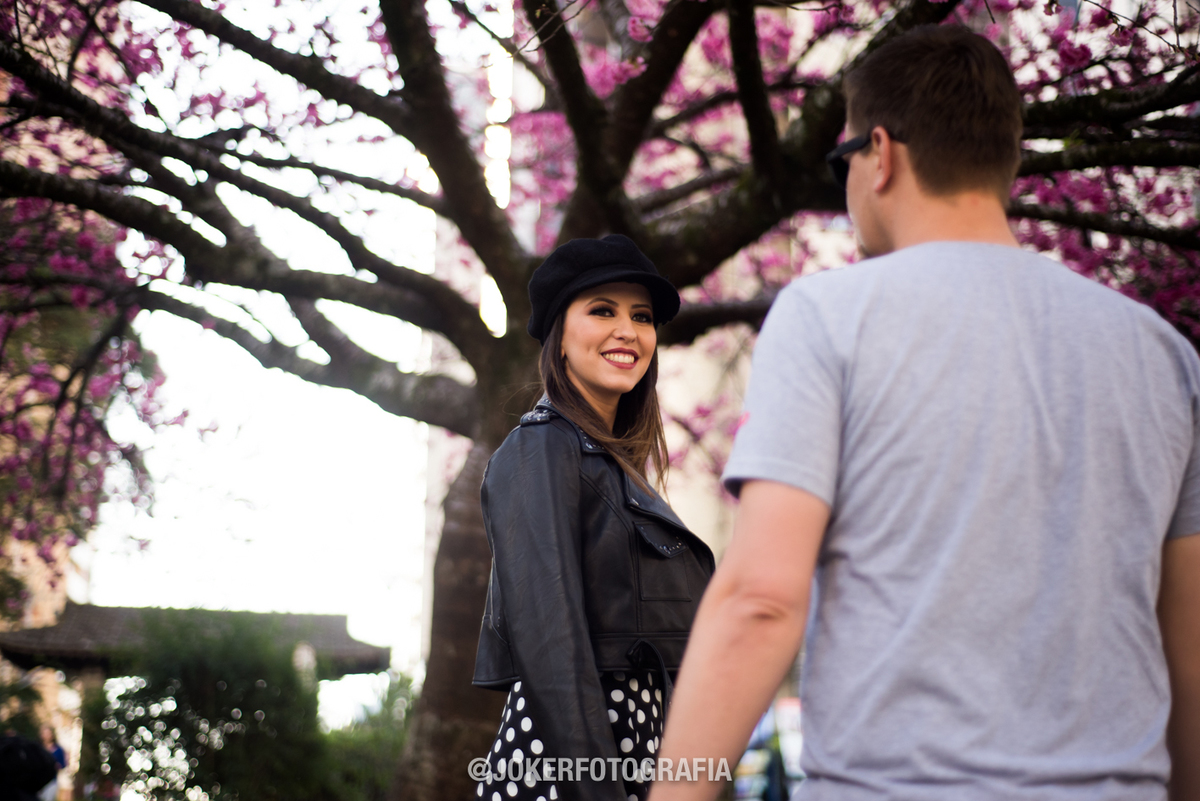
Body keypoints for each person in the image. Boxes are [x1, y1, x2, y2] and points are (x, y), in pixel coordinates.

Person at [651, 24, 1200, 801]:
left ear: (882, 156)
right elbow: (1190, 645)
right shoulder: (1163, 354)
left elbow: (762, 599)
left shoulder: (828, 317)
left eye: (844, 160)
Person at [473, 234, 715, 801]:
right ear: (559, 337)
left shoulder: (610, 467)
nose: (628, 331)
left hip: (631, 754)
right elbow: (551, 644)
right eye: (601, 310)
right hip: (571, 767)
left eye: (642, 316)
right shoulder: (541, 449)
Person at [36, 727, 65, 801]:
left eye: (48, 733)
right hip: (38, 780)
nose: (46, 735)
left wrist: (57, 766)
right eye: (44, 733)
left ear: (52, 735)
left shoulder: (58, 750)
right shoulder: (38, 748)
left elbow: (63, 764)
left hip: (52, 781)